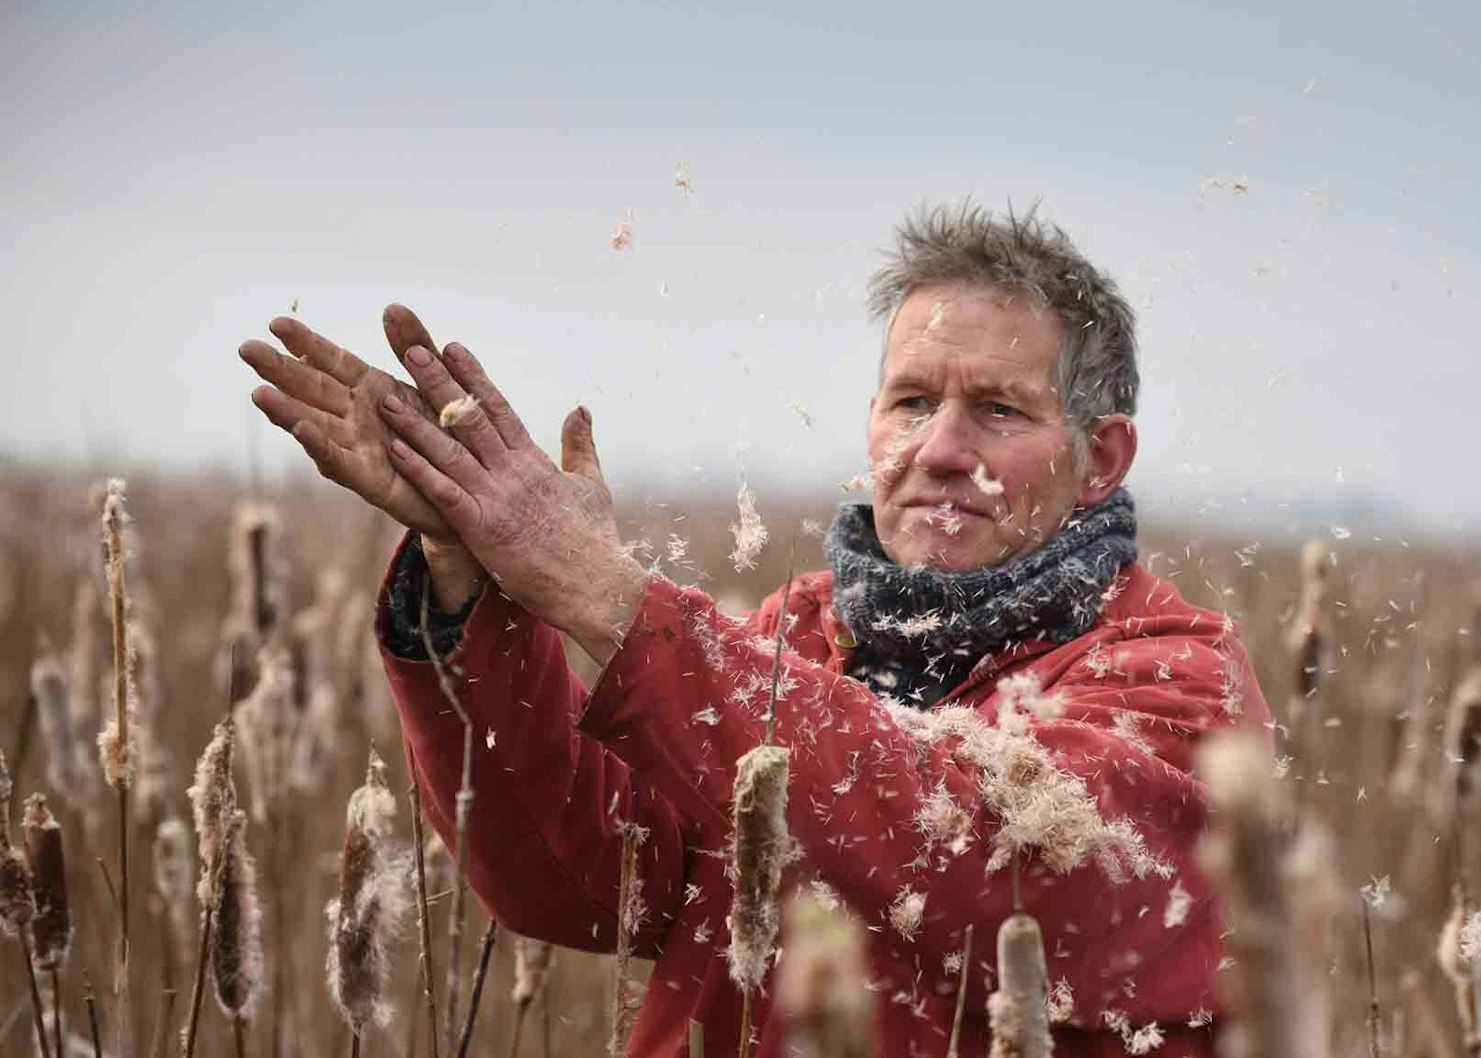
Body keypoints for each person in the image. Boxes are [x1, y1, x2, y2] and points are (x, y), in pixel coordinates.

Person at [239, 202, 1269, 1055]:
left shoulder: (1173, 681)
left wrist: (608, 597)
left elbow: (978, 859)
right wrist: (466, 584)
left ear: (1101, 458)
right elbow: (576, 877)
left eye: (998, 410)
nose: (941, 447)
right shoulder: (807, 635)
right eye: (911, 401)